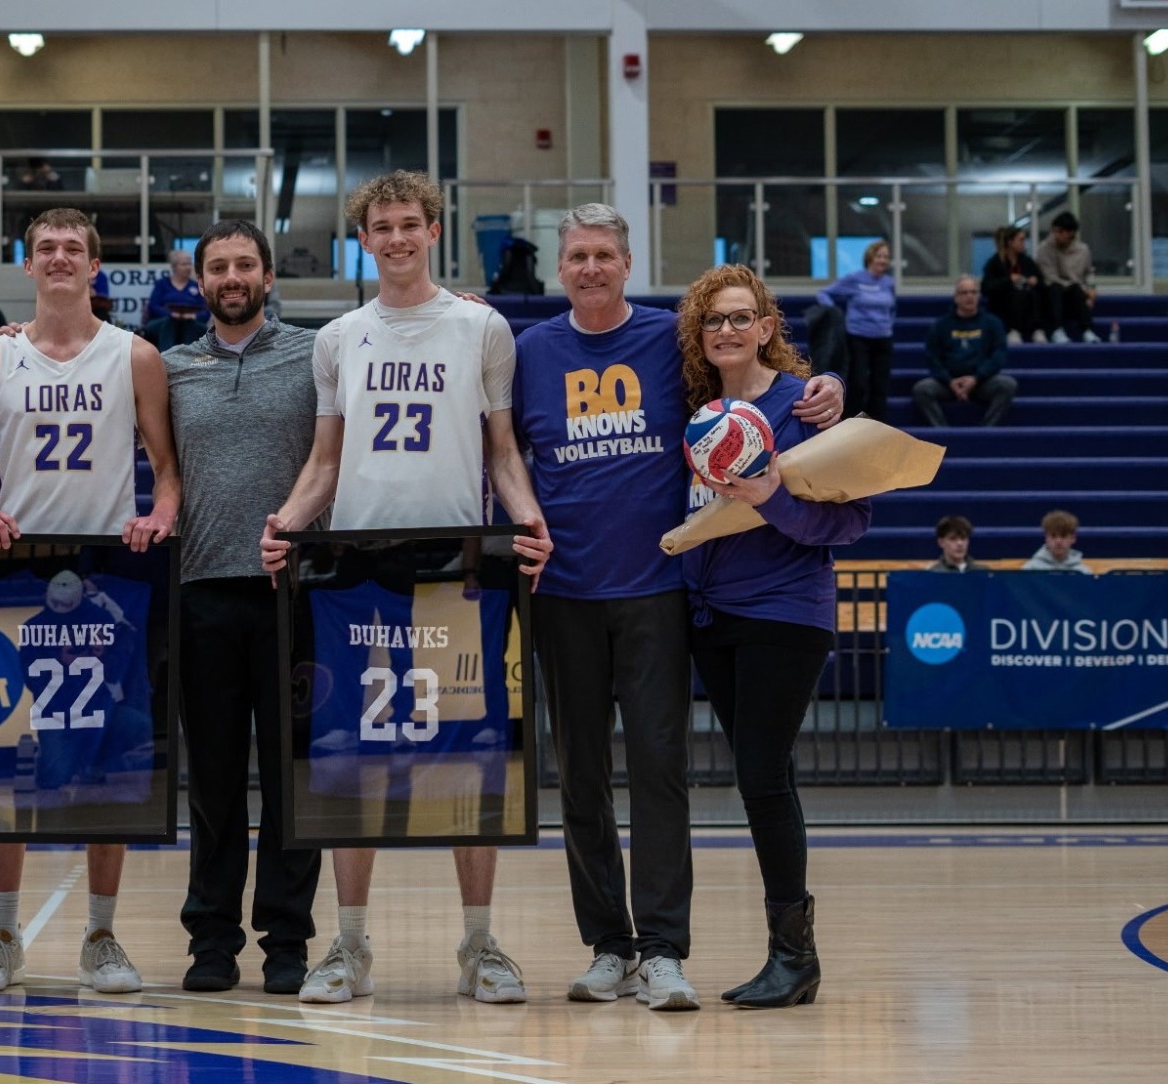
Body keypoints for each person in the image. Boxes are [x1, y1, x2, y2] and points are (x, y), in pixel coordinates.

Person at [513, 203, 844, 1013]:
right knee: (581, 779)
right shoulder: (528, 352)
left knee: (661, 775)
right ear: (562, 269)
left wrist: (827, 388)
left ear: (628, 263)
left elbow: (759, 381)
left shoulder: (673, 340)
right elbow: (500, 449)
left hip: (660, 592)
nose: (590, 268)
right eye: (578, 256)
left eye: (605, 255)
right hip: (563, 594)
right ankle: (609, 947)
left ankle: (663, 949)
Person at [258, 171, 554, 1007]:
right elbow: (324, 463)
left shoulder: (481, 328)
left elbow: (502, 455)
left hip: (459, 571)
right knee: (352, 758)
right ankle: (349, 947)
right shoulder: (338, 338)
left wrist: (528, 521)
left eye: (409, 224)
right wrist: (285, 521)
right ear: (365, 238)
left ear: (433, 230)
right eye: (381, 226)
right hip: (358, 570)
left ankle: (480, 942)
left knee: (471, 759)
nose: (395, 238)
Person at [0, 207, 182, 997]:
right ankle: (2, 931)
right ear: (26, 264)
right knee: (9, 756)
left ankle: (102, 933)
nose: (59, 257)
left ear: (96, 265)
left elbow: (167, 466)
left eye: (73, 248)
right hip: (18, 570)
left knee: (106, 755)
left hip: (108, 572)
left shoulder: (136, 355)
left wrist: (160, 514)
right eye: (45, 247)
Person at [677, 264, 872, 1009]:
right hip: (711, 616)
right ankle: (792, 957)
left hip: (786, 611)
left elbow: (851, 522)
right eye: (713, 320)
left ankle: (794, 956)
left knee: (761, 773)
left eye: (740, 317)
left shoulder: (807, 407)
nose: (727, 330)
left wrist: (770, 500)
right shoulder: (696, 409)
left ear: (766, 327)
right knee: (765, 774)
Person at [161, 219, 322, 995]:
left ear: (266, 274)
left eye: (245, 264)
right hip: (201, 594)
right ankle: (213, 942)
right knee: (216, 783)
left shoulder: (315, 354)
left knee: (293, 779)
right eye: (217, 266)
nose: (232, 276)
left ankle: (286, 940)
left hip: (294, 595)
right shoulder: (167, 367)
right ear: (197, 281)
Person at [913, 276, 1017, 427]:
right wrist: (949, 381)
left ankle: (985, 431)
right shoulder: (941, 325)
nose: (970, 296)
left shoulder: (992, 323)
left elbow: (999, 355)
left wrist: (976, 378)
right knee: (921, 389)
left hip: (981, 382)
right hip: (948, 383)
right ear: (956, 297)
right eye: (965, 293)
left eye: (974, 292)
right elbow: (932, 357)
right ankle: (943, 432)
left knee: (1008, 385)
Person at [815, 240, 896, 421]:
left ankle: (877, 425)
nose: (882, 260)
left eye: (886, 257)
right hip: (858, 337)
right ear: (870, 258)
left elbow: (892, 308)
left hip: (883, 338)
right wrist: (835, 313)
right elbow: (824, 293)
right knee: (859, 383)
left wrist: (887, 323)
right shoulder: (855, 278)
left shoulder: (889, 282)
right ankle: (853, 421)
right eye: (879, 256)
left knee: (880, 386)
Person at [1036, 211, 1098, 344]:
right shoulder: (1044, 249)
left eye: (1061, 232)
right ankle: (1057, 330)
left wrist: (1091, 289)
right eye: (1056, 231)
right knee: (1056, 288)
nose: (1057, 235)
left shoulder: (1083, 250)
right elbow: (1049, 276)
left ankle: (1087, 330)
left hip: (1074, 292)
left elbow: (1089, 272)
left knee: (1076, 289)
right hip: (1053, 293)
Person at [981, 226, 1041, 345]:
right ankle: (1013, 330)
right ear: (1010, 242)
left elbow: (1040, 281)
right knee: (1015, 294)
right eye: (1021, 240)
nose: (1024, 243)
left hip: (1027, 307)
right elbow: (986, 288)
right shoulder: (994, 263)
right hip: (1003, 307)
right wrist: (1008, 280)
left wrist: (1035, 280)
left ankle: (1037, 329)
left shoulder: (1027, 261)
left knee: (1033, 294)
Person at [143, 249, 209, 348]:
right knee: (171, 322)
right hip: (163, 322)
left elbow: (206, 312)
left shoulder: (197, 286)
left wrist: (192, 316)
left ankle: (187, 359)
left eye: (189, 264)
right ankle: (167, 357)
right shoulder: (162, 284)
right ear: (174, 267)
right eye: (183, 264)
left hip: (191, 322)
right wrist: (172, 315)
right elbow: (153, 306)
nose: (188, 267)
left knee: (189, 324)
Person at [1023, 509, 1093, 573]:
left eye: (1063, 536)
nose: (1058, 541)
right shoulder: (1031, 569)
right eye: (1053, 536)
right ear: (1046, 538)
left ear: (1073, 538)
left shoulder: (1083, 572)